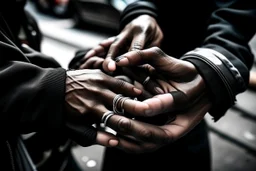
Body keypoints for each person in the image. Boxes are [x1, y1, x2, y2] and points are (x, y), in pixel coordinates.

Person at [71, 0, 256, 170]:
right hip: (134, 128)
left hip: (181, 122)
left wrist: (211, 65)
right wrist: (142, 11)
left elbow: (236, 12)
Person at [0, 1, 163, 171]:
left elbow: (25, 65)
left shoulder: (25, 19)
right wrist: (53, 90)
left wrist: (87, 71)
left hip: (52, 154)